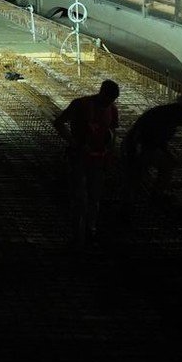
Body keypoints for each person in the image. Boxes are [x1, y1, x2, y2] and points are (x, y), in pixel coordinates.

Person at [54, 78, 121, 247]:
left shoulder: (112, 109)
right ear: (101, 93)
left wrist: (110, 154)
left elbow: (112, 132)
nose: (109, 103)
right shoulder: (81, 105)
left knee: (94, 198)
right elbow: (59, 122)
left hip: (98, 160)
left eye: (112, 100)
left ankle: (90, 231)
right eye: (108, 99)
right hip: (79, 157)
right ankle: (77, 234)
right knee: (80, 198)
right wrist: (73, 142)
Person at [117, 92, 182, 215]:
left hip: (138, 143)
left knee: (142, 172)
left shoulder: (169, 111)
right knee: (141, 172)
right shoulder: (174, 115)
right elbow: (156, 139)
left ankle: (132, 201)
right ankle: (139, 201)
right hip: (138, 146)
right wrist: (167, 153)